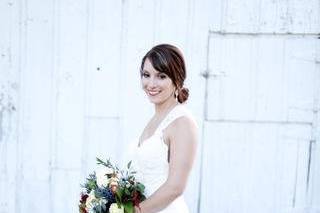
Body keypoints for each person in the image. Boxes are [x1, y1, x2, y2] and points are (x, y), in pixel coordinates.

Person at [130, 44, 198, 213]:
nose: (151, 84)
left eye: (161, 76)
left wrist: (132, 212)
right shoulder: (156, 119)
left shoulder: (182, 123)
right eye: (146, 75)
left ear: (177, 79)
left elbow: (175, 187)